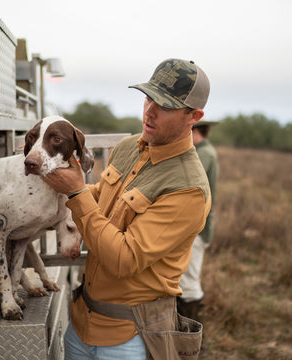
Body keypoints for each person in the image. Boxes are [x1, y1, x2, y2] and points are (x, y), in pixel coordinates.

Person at [43, 58, 212, 360]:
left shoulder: (188, 189)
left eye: (166, 105)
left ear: (193, 116)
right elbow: (100, 199)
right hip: (81, 324)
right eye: (148, 97)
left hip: (130, 339)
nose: (150, 111)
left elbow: (123, 260)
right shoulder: (128, 147)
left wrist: (76, 191)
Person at [177, 119, 219, 338]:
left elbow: (187, 182)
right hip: (194, 227)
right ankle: (185, 338)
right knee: (184, 280)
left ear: (194, 131)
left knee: (190, 284)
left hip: (197, 229)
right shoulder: (203, 151)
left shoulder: (204, 154)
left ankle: (195, 342)